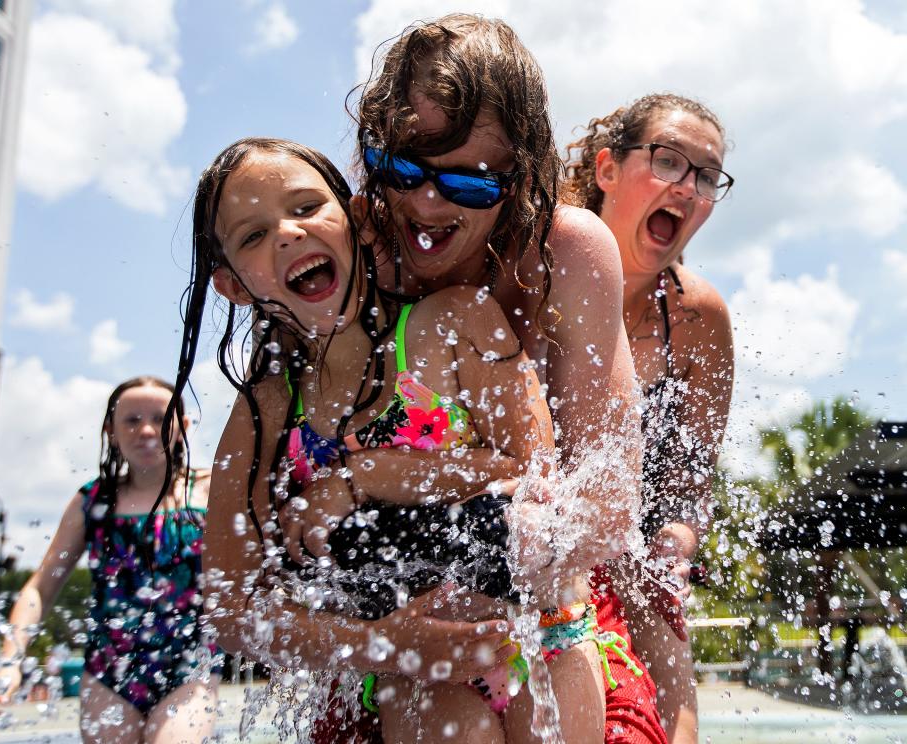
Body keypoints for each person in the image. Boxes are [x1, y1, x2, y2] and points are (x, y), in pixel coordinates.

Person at [207, 13, 668, 744]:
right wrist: (391, 638)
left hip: (547, 603)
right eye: (402, 170)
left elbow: (604, 509)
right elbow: (239, 592)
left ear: (521, 175)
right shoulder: (348, 255)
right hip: (389, 637)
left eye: (469, 180)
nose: (426, 205)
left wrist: (370, 489)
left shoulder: (565, 253)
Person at [172, 135, 610, 742]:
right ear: (233, 285)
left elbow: (535, 478)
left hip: (542, 632)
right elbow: (235, 609)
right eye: (252, 235)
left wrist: (363, 477)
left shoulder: (454, 322)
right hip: (407, 670)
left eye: (304, 208)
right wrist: (383, 645)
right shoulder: (267, 413)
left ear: (352, 217)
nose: (288, 234)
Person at [563, 93, 736, 744]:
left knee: (676, 722)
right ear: (606, 169)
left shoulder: (698, 318)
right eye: (668, 161)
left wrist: (677, 543)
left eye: (707, 174)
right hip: (534, 548)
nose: (688, 188)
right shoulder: (535, 267)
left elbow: (692, 484)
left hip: (633, 556)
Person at [0, 377, 220, 744]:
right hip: (108, 671)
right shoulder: (91, 502)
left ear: (183, 427)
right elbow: (41, 588)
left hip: (190, 666)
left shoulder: (210, 492)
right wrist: (11, 660)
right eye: (131, 420)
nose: (145, 429)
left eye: (160, 417)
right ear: (110, 431)